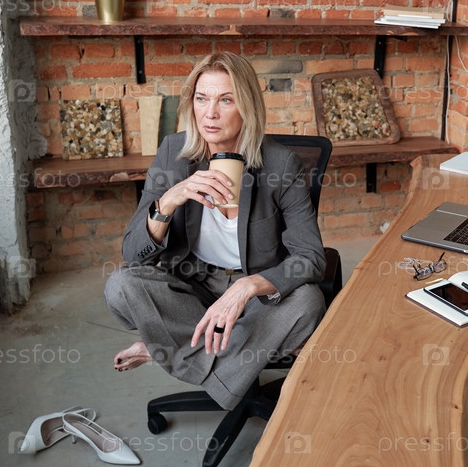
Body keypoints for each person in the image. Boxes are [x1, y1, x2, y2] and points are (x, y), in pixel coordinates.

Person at [104, 52, 327, 411]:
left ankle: (166, 349)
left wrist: (247, 287)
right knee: (121, 285)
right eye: (201, 98)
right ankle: (238, 359)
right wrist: (169, 200)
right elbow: (133, 254)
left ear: (247, 107)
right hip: (193, 289)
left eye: (226, 100)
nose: (210, 114)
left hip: (254, 299)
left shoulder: (281, 164)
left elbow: (311, 258)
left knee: (307, 301)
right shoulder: (173, 152)